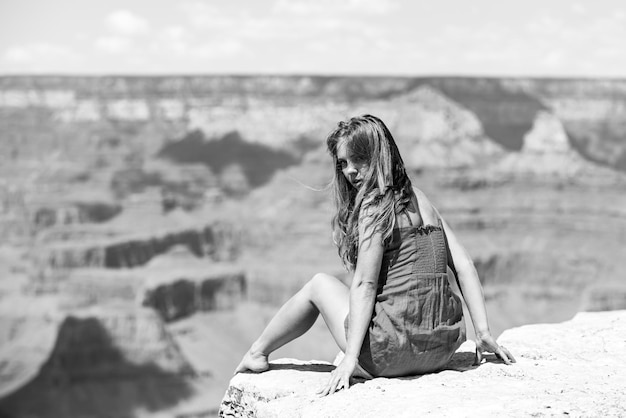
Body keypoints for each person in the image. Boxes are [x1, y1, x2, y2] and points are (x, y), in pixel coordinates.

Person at [235, 114, 515, 395]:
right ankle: (259, 352)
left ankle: (257, 353)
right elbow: (464, 265)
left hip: (389, 355)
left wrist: (350, 360)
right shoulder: (423, 200)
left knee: (320, 285)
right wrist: (483, 333)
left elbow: (365, 285)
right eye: (343, 163)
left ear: (380, 155)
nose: (350, 171)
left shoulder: (374, 208)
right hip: (440, 349)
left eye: (358, 159)